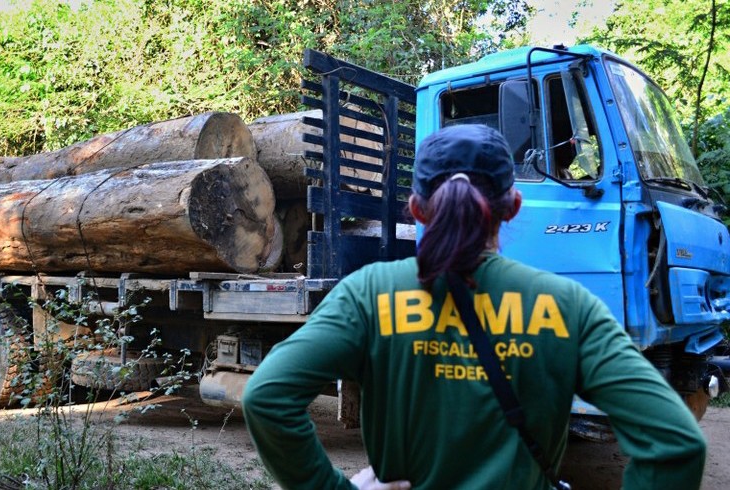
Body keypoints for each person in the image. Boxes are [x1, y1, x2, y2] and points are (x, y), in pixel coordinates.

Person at [242, 124, 706, 489]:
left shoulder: (368, 293)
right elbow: (674, 444)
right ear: (514, 206)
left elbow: (267, 398)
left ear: (418, 210)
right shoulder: (569, 307)